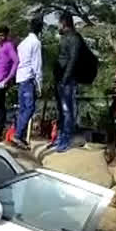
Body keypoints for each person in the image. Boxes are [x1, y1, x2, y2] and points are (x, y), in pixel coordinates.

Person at [49, 12, 82, 153]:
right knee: (61, 111)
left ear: (64, 23)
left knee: (68, 110)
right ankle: (60, 137)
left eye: (59, 24)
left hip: (67, 81)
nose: (58, 26)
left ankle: (66, 139)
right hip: (60, 79)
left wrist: (65, 78)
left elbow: (73, 60)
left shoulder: (74, 39)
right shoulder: (64, 38)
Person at [11, 16, 44, 150]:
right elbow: (37, 64)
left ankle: (20, 136)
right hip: (28, 79)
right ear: (40, 29)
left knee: (23, 109)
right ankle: (18, 135)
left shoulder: (23, 43)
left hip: (20, 78)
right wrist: (39, 84)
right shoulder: (36, 43)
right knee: (29, 108)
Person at [0, 25, 19, 142]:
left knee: (0, 106)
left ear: (6, 35)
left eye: (2, 35)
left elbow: (16, 61)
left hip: (2, 80)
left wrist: (7, 79)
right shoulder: (0, 47)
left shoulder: (9, 46)